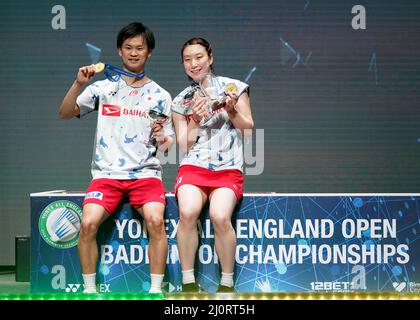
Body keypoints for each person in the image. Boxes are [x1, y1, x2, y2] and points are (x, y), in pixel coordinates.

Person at [58, 22, 174, 294]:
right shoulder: (103, 88)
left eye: (140, 48)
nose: (134, 53)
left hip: (146, 175)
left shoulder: (160, 96)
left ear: (149, 53)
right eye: (128, 48)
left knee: (156, 222)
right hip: (106, 176)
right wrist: (78, 84)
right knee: (86, 224)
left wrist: (162, 137)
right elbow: (65, 112)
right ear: (120, 51)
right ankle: (89, 290)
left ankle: (156, 290)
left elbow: (168, 145)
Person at [171, 38, 254, 293]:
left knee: (220, 216)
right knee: (187, 212)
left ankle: (226, 284)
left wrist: (231, 111)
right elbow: (184, 144)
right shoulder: (181, 100)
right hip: (193, 167)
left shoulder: (234, 88)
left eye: (198, 57)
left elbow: (248, 127)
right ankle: (187, 283)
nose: (193, 64)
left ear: (210, 57)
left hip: (227, 168)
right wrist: (194, 119)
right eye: (187, 59)